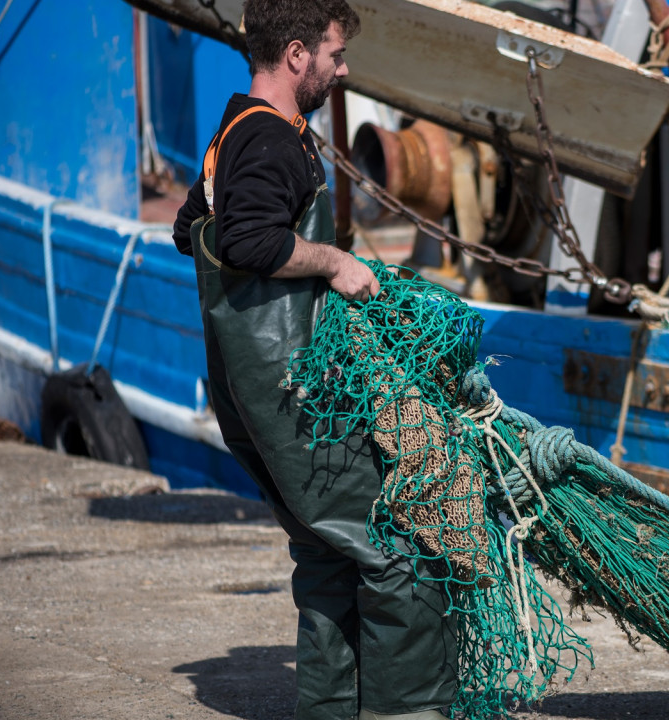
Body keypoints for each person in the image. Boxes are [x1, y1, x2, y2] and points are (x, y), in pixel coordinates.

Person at [172, 2, 457, 719]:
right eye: (335, 54)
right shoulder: (270, 141)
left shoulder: (231, 133)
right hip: (292, 390)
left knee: (328, 553)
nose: (343, 68)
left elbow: (191, 231)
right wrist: (331, 260)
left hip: (247, 392)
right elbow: (247, 244)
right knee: (398, 545)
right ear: (296, 54)